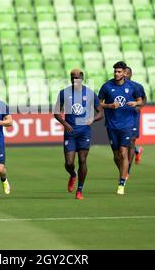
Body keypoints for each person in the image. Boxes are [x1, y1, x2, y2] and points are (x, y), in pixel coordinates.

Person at [54, 69, 103, 199]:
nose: (75, 80)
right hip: (70, 132)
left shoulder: (90, 93)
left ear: (82, 78)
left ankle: (79, 190)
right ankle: (73, 174)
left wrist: (92, 118)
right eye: (72, 77)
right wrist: (65, 124)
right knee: (69, 163)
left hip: (84, 132)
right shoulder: (64, 93)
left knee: (82, 160)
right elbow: (56, 112)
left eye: (77, 77)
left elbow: (100, 112)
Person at [98, 61, 143, 195]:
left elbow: (140, 100)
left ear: (124, 73)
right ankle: (123, 173)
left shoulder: (132, 86)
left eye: (119, 71)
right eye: (115, 71)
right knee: (116, 155)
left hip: (127, 125)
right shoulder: (106, 86)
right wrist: (109, 106)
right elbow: (98, 104)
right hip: (112, 125)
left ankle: (122, 183)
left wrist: (136, 102)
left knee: (123, 152)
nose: (116, 73)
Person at [124, 66, 146, 178]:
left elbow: (144, 98)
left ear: (130, 75)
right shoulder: (118, 86)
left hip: (133, 116)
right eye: (124, 73)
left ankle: (127, 170)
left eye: (127, 74)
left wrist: (139, 106)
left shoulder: (137, 86)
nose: (125, 75)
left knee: (131, 142)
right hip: (121, 117)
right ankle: (137, 150)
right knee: (123, 145)